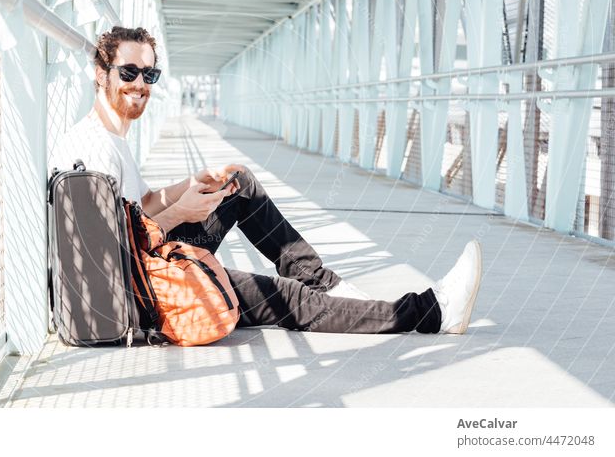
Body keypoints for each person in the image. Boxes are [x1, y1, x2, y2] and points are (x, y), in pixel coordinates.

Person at [52, 26, 483, 337]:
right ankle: (431, 313)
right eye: (129, 73)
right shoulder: (91, 149)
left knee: (239, 182)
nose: (140, 84)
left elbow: (140, 203)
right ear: (100, 72)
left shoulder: (111, 138)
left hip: (153, 260)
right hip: (147, 292)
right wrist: (183, 212)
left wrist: (188, 186)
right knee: (285, 299)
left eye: (150, 75)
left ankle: (328, 284)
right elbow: (109, 255)